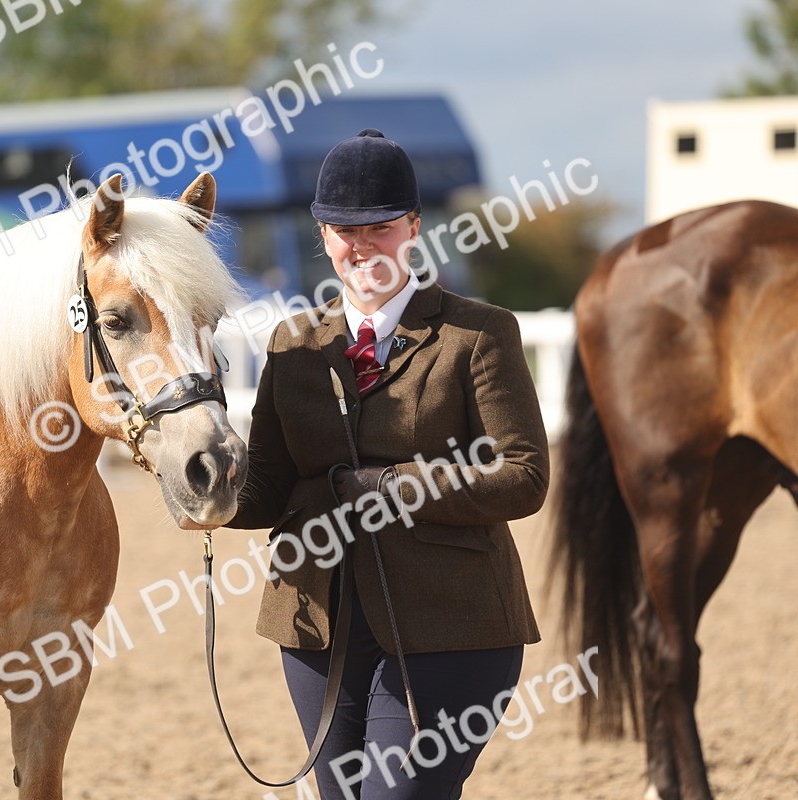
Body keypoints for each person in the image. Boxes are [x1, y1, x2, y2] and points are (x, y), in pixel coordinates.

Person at [223, 129, 549, 799]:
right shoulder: (294, 342)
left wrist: (392, 487)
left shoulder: (476, 334)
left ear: (413, 227)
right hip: (318, 625)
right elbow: (267, 487)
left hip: (450, 623)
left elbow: (524, 475)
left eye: (380, 225)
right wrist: (209, 495)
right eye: (343, 227)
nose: (361, 242)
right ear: (322, 233)